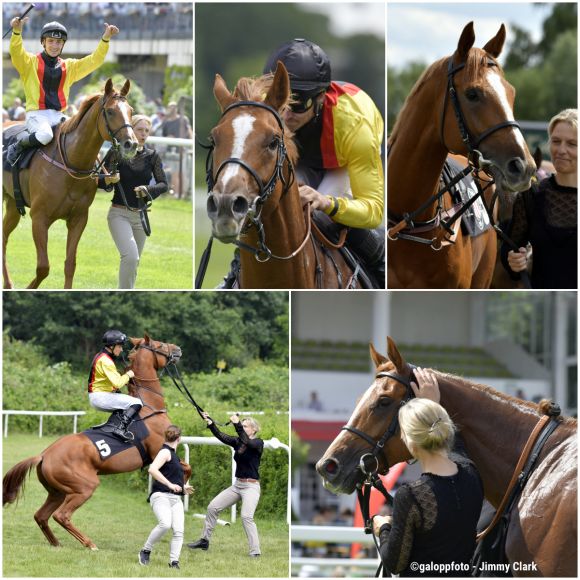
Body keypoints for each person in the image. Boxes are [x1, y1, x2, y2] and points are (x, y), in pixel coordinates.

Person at [263, 39, 385, 287]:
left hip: (344, 160)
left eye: (296, 105)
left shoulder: (354, 125)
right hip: (305, 158)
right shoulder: (268, 114)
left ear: (320, 98)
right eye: (280, 102)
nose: (285, 115)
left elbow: (373, 210)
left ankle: (381, 269)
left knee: (320, 214)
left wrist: (326, 202)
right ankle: (236, 270)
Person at [372, 368, 484, 576]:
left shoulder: (411, 495)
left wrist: (383, 528)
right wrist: (433, 404)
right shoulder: (472, 475)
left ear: (409, 442)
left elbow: (394, 563)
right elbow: (456, 446)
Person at [6, 16, 119, 164]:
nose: (54, 45)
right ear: (43, 42)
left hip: (59, 116)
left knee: (80, 135)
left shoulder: (69, 66)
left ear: (63, 44)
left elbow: (94, 60)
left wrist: (105, 39)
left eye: (59, 42)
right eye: (51, 41)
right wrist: (16, 31)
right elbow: (16, 53)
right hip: (37, 115)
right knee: (45, 135)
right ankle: (18, 145)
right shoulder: (30, 62)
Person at [502, 108, 577, 289]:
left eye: (572, 144)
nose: (561, 150)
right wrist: (514, 261)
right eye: (556, 141)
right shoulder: (531, 195)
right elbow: (508, 250)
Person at [98, 114, 168, 289]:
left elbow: (163, 184)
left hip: (141, 217)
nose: (143, 134)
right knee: (131, 257)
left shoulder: (152, 156)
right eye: (140, 129)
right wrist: (109, 180)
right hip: (119, 214)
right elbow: (99, 179)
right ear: (131, 130)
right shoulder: (117, 152)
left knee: (133, 264)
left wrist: (148, 189)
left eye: (147, 131)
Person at [187, 412, 263, 557]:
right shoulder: (237, 442)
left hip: (251, 487)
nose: (242, 427)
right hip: (238, 485)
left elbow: (248, 442)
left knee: (247, 517)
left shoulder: (258, 443)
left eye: (245, 426)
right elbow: (221, 435)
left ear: (254, 429)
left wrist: (236, 424)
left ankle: (255, 552)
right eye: (242, 425)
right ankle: (204, 540)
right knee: (212, 507)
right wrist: (210, 422)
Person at [139, 425, 194, 570]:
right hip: (160, 496)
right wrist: (170, 485)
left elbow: (171, 476)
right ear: (179, 439)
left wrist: (183, 487)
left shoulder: (174, 455)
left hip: (175, 499)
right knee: (165, 524)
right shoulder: (165, 452)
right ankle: (146, 550)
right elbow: (152, 469)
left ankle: (174, 562)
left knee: (179, 531)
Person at [87, 329, 141, 441]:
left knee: (126, 403)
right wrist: (129, 374)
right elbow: (117, 383)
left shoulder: (102, 356)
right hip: (100, 397)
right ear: (112, 346)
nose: (121, 350)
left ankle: (114, 426)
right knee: (137, 402)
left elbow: (113, 382)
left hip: (100, 395)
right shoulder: (106, 361)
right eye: (119, 346)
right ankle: (120, 429)